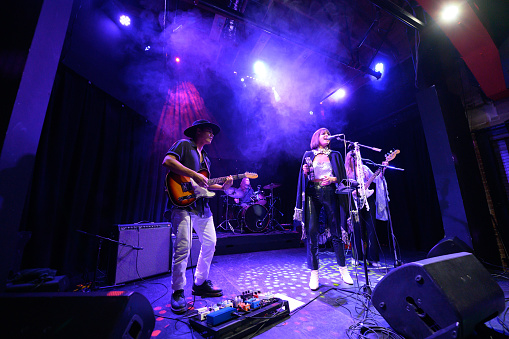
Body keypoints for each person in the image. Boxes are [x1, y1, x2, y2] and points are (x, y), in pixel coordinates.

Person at [163, 119, 233, 314]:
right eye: (209, 131)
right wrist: (193, 174)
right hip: (182, 204)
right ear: (198, 131)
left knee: (210, 243)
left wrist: (224, 185)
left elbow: (205, 184)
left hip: (202, 207)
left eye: (213, 132)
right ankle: (177, 292)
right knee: (183, 248)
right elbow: (168, 161)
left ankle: (200, 282)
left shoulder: (207, 159)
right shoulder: (184, 145)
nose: (212, 134)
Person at [294, 128, 353, 290]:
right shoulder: (308, 154)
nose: (326, 136)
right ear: (316, 137)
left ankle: (343, 270)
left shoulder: (335, 154)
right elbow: (303, 177)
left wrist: (333, 179)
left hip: (330, 192)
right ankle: (314, 273)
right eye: (323, 134)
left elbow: (342, 177)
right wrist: (305, 173)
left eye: (328, 134)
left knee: (336, 231)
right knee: (312, 231)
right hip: (312, 193)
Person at [344, 148, 389, 268]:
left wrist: (383, 169)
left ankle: (373, 258)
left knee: (371, 228)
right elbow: (342, 186)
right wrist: (352, 192)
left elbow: (377, 178)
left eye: (357, 155)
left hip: (368, 199)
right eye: (353, 156)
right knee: (356, 228)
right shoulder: (346, 171)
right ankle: (356, 256)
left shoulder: (364, 168)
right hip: (354, 200)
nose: (356, 157)